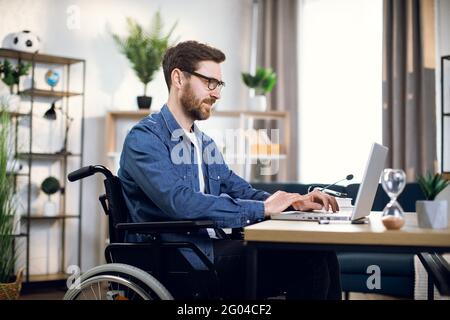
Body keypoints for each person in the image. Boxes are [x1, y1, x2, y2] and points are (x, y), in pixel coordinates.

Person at [118, 40, 342, 299]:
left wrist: (294, 201)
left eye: (219, 84)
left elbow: (239, 189)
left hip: (211, 249)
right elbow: (180, 202)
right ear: (178, 78)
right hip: (178, 259)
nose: (216, 94)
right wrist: (263, 209)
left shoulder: (204, 144)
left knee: (322, 252)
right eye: (209, 82)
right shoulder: (145, 138)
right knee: (309, 262)